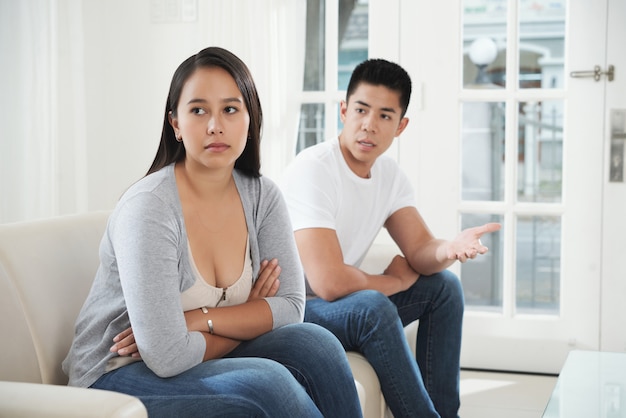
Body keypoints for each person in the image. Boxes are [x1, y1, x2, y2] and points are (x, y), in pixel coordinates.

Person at [62, 46, 363, 418]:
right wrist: (248, 314)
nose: (215, 125)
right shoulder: (149, 208)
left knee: (316, 343)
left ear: (250, 119)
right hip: (116, 376)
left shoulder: (262, 195)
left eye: (230, 109)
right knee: (267, 384)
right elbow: (167, 356)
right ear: (175, 123)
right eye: (198, 110)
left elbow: (289, 309)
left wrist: (196, 319)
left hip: (191, 356)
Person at [280, 58, 501, 418]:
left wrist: (449, 248)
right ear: (343, 110)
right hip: (294, 308)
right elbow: (329, 282)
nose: (369, 125)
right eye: (361, 110)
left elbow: (419, 249)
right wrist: (393, 281)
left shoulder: (389, 176)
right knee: (372, 307)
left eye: (384, 115)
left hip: (333, 305)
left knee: (444, 287)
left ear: (401, 126)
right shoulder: (314, 169)